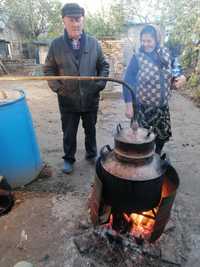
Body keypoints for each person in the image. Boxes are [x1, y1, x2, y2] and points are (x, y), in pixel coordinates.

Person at [43, 3, 109, 173]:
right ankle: (69, 159)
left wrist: (99, 84)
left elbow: (104, 65)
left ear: (83, 20)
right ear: (64, 21)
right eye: (71, 20)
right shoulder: (56, 45)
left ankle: (91, 154)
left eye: (78, 19)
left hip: (90, 97)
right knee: (69, 132)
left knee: (91, 129)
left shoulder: (93, 43)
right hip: (67, 99)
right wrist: (59, 89)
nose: (75, 23)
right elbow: (49, 70)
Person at [123, 25, 186, 154]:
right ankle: (142, 158)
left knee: (161, 136)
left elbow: (177, 68)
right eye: (143, 41)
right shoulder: (137, 58)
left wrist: (182, 77)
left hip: (161, 107)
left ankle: (156, 156)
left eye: (149, 41)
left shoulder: (166, 53)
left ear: (157, 40)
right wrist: (128, 105)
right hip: (142, 107)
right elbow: (127, 81)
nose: (146, 44)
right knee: (141, 138)